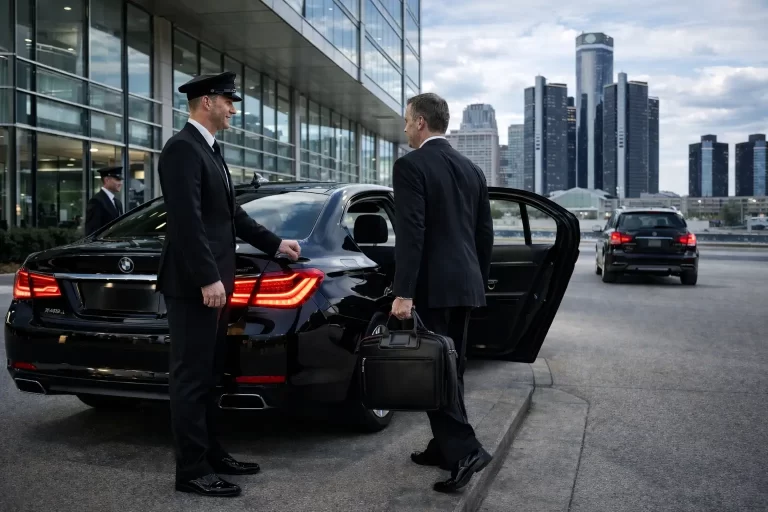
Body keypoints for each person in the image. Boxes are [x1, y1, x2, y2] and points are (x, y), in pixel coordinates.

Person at [157, 71, 301, 498]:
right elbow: (186, 223)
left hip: (214, 283)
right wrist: (207, 278)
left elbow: (231, 216)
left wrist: (277, 244)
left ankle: (212, 453)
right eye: (228, 101)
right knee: (190, 377)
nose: (234, 109)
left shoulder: (210, 150)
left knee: (210, 375)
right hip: (194, 285)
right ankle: (191, 471)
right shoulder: (182, 150)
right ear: (207, 102)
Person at [390, 92, 494, 493]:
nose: (404, 127)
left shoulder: (411, 166)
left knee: (435, 372)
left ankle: (466, 450)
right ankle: (443, 446)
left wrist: (404, 292)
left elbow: (411, 234)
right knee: (453, 369)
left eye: (406, 120)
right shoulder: (472, 169)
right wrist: (477, 283)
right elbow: (483, 235)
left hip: (432, 288)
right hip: (465, 285)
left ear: (420, 122)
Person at [85, 166, 124, 235]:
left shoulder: (117, 202)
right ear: (107, 180)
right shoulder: (96, 201)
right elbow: (92, 232)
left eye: (120, 180)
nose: (120, 183)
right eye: (117, 180)